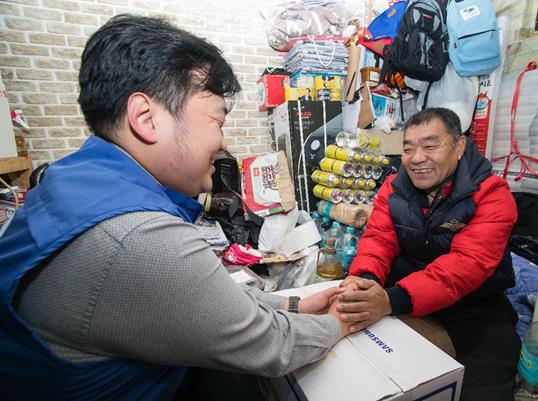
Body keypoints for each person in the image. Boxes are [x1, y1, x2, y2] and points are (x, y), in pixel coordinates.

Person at [0, 15, 359, 401]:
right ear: (145, 118)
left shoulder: (77, 178)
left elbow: (196, 301)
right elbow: (270, 345)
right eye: (217, 122)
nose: (222, 144)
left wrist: (293, 303)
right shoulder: (137, 236)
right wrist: (338, 322)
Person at [337, 108, 521, 401]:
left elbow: (466, 266)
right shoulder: (392, 189)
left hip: (472, 301)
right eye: (408, 149)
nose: (417, 158)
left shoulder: (491, 194)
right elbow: (378, 240)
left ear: (459, 147)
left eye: (430, 146)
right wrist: (365, 281)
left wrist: (389, 300)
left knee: (487, 379)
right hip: (401, 288)